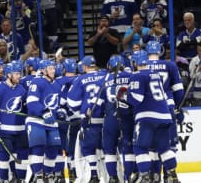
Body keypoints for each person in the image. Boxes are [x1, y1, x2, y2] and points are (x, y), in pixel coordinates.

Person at [127, 50, 180, 183]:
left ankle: (145, 176)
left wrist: (125, 94)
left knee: (140, 146)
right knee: (164, 148)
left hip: (147, 116)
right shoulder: (155, 74)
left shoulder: (137, 75)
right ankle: (172, 175)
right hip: (165, 115)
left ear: (134, 62)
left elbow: (136, 99)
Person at [146, 41, 184, 182]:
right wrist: (178, 107)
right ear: (160, 51)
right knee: (169, 144)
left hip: (149, 109)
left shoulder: (141, 66)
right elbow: (179, 90)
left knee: (151, 145)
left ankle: (154, 174)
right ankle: (169, 174)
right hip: (167, 107)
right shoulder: (170, 65)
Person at [0, 62, 28, 183]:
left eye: (20, 73)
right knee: (3, 157)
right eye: (16, 74)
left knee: (22, 156)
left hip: (20, 130)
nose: (19, 76)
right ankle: (4, 180)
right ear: (9, 75)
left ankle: (21, 179)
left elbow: (25, 108)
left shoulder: (21, 89)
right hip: (4, 130)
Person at [67, 56, 107, 183]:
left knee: (88, 148)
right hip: (106, 119)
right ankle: (111, 175)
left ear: (84, 66)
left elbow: (72, 102)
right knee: (109, 149)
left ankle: (94, 174)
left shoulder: (80, 79)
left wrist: (80, 112)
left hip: (89, 120)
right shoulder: (105, 76)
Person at [101, 55, 135, 183]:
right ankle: (129, 177)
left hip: (111, 117)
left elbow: (99, 102)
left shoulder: (105, 78)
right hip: (127, 116)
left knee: (109, 150)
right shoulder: (130, 76)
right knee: (128, 147)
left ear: (109, 66)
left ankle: (113, 178)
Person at [26, 59, 61, 182]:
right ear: (43, 70)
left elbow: (58, 103)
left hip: (51, 121)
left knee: (53, 150)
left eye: (54, 68)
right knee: (38, 148)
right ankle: (38, 175)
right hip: (37, 120)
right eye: (50, 68)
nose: (53, 70)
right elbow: (31, 102)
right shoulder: (37, 82)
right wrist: (44, 111)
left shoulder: (56, 84)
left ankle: (49, 175)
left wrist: (61, 112)